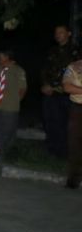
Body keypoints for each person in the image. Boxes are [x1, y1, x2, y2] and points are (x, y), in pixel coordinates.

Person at [41, 25, 78, 157]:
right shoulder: (52, 51)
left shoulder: (75, 51)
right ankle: (52, 151)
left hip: (66, 93)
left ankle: (65, 153)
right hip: (50, 93)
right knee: (49, 120)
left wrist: (57, 86)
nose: (57, 35)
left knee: (65, 122)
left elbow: (74, 73)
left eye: (61, 32)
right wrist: (45, 84)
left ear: (69, 33)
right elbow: (45, 69)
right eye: (56, 32)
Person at [0, 49, 27, 157]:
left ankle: (8, 153)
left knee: (9, 130)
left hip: (10, 106)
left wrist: (16, 101)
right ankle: (0, 151)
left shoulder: (18, 70)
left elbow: (23, 89)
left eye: (0, 56)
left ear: (7, 57)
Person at [60, 56, 82, 189]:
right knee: (75, 144)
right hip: (78, 109)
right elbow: (67, 87)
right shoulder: (74, 66)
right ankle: (73, 179)